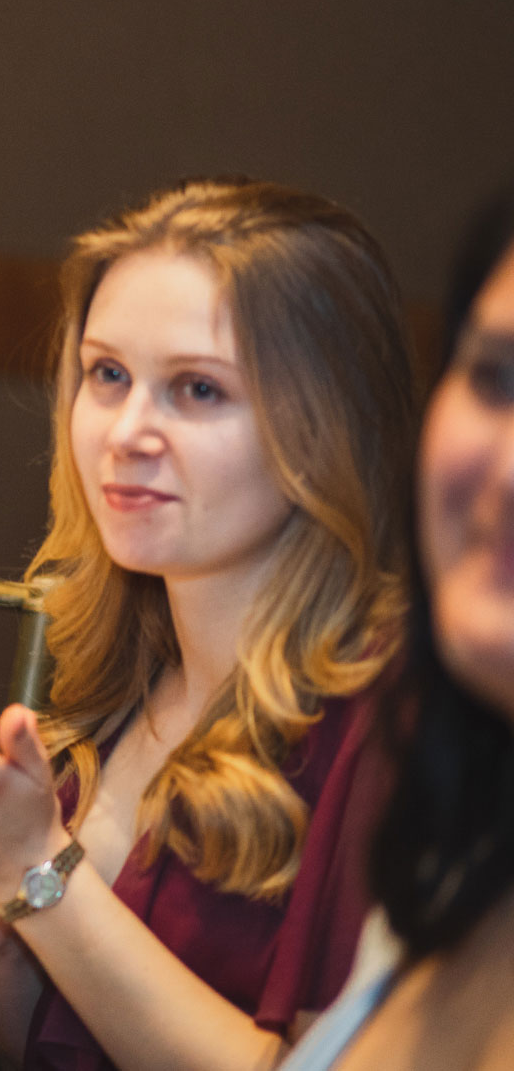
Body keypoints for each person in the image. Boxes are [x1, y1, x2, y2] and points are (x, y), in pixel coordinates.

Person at [0, 179, 419, 1070]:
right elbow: (46, 1043)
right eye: (107, 374)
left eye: (197, 389)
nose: (127, 432)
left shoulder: (390, 713)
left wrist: (36, 873)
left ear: (325, 426)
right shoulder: (136, 664)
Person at [275, 185, 514, 1070]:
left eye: (198, 388)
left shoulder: (351, 714)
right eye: (498, 376)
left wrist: (39, 881)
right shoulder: (455, 849)